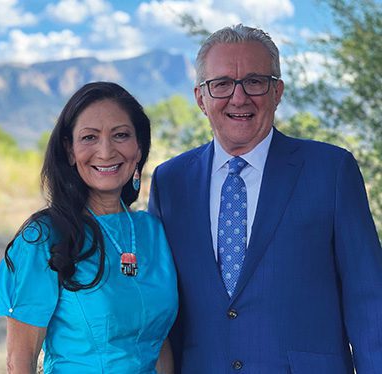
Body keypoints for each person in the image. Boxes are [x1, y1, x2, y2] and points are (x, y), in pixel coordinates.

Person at [149, 24, 382, 373]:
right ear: (201, 97)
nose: (239, 98)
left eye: (255, 82)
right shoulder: (170, 181)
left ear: (277, 91)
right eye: (222, 84)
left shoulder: (331, 170)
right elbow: (160, 307)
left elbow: (370, 303)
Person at [0, 81, 178, 373]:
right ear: (69, 151)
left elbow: (160, 342)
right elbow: (21, 360)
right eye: (89, 137)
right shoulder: (43, 238)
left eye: (120, 135)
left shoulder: (152, 231)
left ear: (139, 148)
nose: (105, 151)